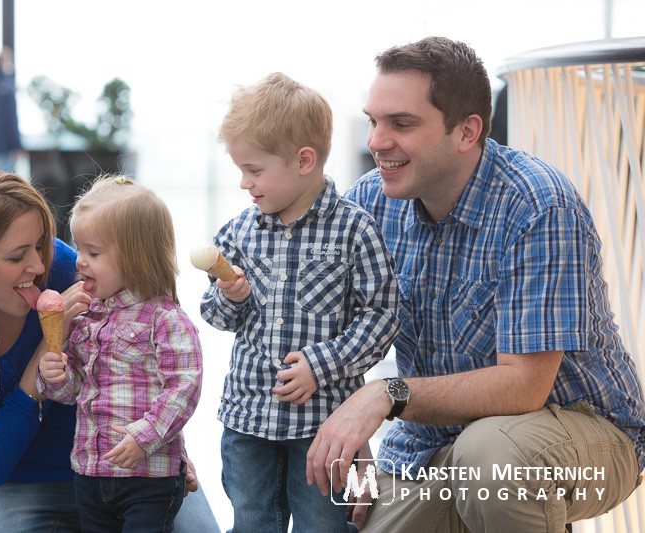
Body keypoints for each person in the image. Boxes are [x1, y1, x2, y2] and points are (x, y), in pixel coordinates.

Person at [306, 36, 645, 532]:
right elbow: (336, 347)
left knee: (494, 462)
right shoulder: (370, 205)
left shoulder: (539, 206)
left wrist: (386, 394)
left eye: (401, 123)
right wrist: (355, 450)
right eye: (374, 120)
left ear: (466, 132)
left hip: (586, 435)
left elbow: (525, 387)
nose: (376, 141)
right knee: (358, 516)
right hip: (433, 443)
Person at [0, 165, 220, 532]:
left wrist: (162, 443)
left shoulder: (63, 265)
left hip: (132, 470)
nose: (38, 264)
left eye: (41, 244)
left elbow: (149, 358)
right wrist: (51, 341)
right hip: (18, 483)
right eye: (17, 256)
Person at [200, 72, 400, 532]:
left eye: (254, 170)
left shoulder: (354, 230)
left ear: (304, 160)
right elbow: (214, 314)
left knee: (324, 526)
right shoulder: (238, 233)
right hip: (247, 419)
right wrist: (230, 296)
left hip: (323, 426)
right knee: (252, 521)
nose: (244, 183)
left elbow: (382, 315)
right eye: (240, 170)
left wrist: (322, 364)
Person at [37, 175, 203, 532]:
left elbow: (184, 387)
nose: (79, 262)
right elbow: (75, 390)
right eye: (79, 249)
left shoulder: (165, 318)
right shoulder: (86, 317)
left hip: (148, 478)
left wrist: (144, 437)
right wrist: (54, 375)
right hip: (91, 473)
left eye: (93, 253)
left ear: (136, 258)